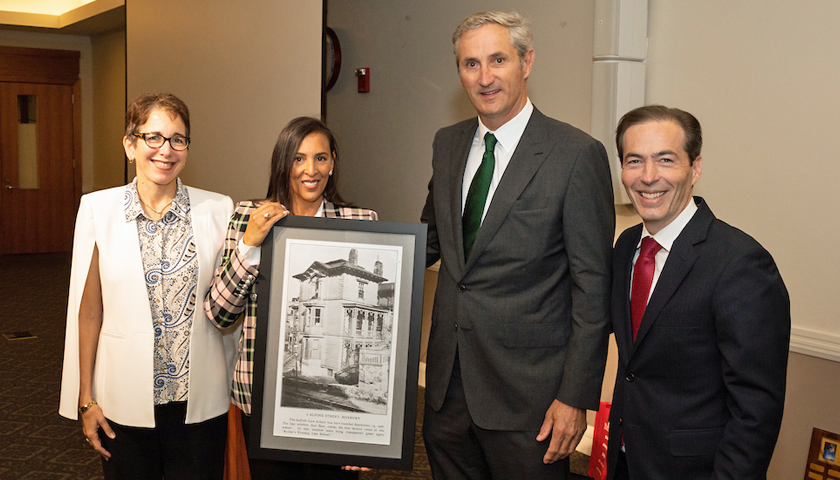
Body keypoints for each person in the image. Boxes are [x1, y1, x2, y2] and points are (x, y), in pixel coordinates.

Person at [420, 11, 615, 480]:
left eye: (497, 60)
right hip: (447, 392)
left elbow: (592, 289)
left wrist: (575, 397)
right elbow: (428, 242)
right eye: (470, 64)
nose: (484, 77)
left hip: (529, 403)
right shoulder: (447, 144)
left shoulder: (575, 154)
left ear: (526, 62)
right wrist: (335, 240)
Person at [606, 105, 790, 480]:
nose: (648, 176)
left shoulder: (741, 263)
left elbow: (755, 411)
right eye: (634, 161)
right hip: (625, 463)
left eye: (666, 160)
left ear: (696, 168)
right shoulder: (627, 246)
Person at [59, 92, 237, 479]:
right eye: (153, 137)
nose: (166, 150)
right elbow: (88, 311)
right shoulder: (98, 210)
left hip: (199, 403)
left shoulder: (219, 210)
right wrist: (85, 398)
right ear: (130, 145)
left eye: (178, 139)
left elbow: (231, 303)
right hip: (123, 401)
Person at [204, 116, 376, 479]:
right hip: (263, 403)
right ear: (283, 164)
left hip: (336, 423)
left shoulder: (360, 221)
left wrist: (369, 438)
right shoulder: (248, 217)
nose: (310, 170)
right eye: (298, 159)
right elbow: (219, 314)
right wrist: (250, 245)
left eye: (320, 158)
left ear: (333, 163)